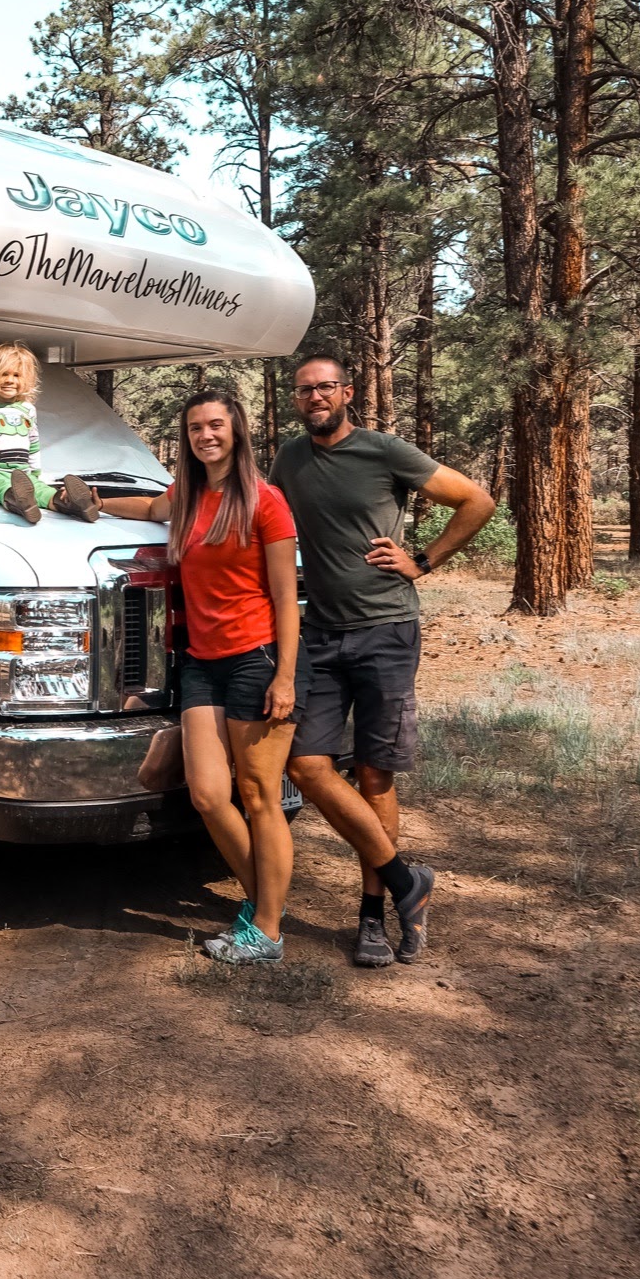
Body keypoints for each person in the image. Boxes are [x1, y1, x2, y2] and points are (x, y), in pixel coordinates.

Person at [269, 352, 495, 968]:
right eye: (304, 390)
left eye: (325, 388)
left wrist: (423, 560)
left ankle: (372, 916)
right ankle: (405, 881)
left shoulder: (384, 451)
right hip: (320, 633)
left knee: (374, 776)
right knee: (307, 764)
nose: (314, 397)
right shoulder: (288, 459)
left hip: (385, 631)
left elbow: (476, 500)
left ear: (347, 392)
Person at [104, 387, 309, 965]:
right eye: (195, 428)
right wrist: (91, 500)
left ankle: (265, 931)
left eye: (215, 425)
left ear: (236, 430)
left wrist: (285, 678)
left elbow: (287, 598)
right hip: (202, 663)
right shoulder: (188, 497)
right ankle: (265, 905)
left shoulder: (266, 502)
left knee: (260, 796)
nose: (205, 436)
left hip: (257, 659)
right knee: (209, 795)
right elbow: (148, 509)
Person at [0, 343, 100, 524]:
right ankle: (19, 501)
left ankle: (70, 504)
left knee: (44, 492)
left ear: (27, 380)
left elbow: (33, 444)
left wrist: (35, 475)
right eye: (4, 374)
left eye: (17, 375)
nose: (10, 380)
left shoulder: (28, 410)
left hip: (23, 475)